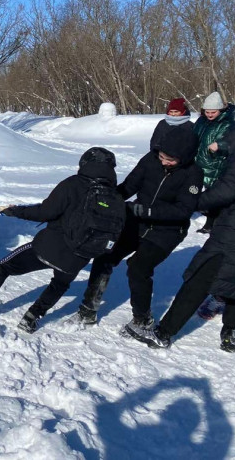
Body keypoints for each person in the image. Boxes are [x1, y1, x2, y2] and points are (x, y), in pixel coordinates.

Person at [0, 148, 123, 333]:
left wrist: (16, 211)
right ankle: (32, 317)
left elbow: (45, 212)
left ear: (85, 163)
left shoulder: (73, 184)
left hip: (47, 248)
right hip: (78, 258)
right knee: (60, 284)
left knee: (3, 267)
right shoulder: (116, 197)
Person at [71, 129, 203, 334]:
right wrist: (108, 199)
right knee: (105, 254)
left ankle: (142, 320)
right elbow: (130, 185)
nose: (163, 162)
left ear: (184, 158)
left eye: (170, 160)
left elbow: (184, 210)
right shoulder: (150, 160)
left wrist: (149, 210)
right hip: (137, 220)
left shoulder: (193, 173)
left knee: (138, 268)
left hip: (167, 231)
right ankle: (88, 308)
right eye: (161, 157)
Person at [127, 128, 235, 352]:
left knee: (201, 278)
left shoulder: (194, 171)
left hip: (234, 231)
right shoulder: (151, 161)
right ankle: (230, 328)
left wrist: (192, 203)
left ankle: (164, 332)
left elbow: (228, 189)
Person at [193, 91, 235, 233]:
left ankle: (210, 223)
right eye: (207, 112)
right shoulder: (201, 121)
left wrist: (220, 145)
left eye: (213, 112)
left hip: (216, 163)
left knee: (212, 193)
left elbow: (233, 143)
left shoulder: (228, 124)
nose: (209, 115)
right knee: (194, 189)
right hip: (199, 161)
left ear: (220, 110)